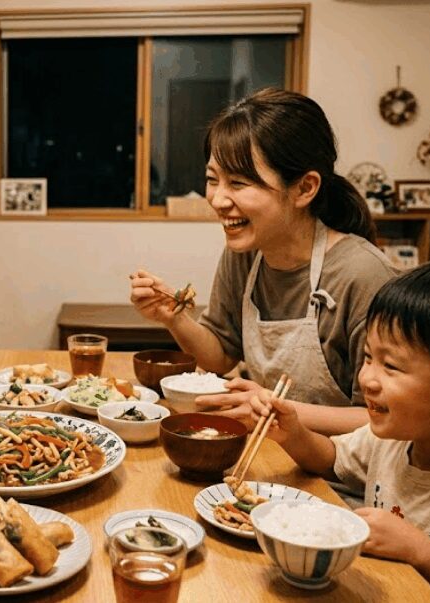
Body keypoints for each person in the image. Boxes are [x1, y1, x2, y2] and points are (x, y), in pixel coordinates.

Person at [251, 257, 430, 603]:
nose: (367, 378)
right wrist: (293, 433)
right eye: (368, 357)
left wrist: (421, 552)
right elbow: (331, 460)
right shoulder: (399, 439)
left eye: (391, 365)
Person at [130, 88, 397, 435]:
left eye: (239, 183)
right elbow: (221, 356)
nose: (218, 199)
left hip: (339, 478)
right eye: (213, 180)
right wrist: (174, 318)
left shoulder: (362, 275)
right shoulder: (245, 253)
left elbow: (384, 419)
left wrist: (270, 407)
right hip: (270, 453)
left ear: (304, 189)